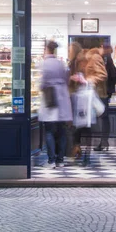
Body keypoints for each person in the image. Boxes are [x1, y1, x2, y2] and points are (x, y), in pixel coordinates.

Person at [39, 40, 72, 168]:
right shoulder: (60, 63)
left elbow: (42, 83)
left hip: (50, 100)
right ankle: (60, 160)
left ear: (46, 49)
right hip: (62, 100)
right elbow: (66, 79)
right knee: (61, 132)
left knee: (49, 131)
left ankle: (51, 161)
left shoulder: (44, 64)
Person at [95, 42, 116, 151]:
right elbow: (115, 75)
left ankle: (104, 142)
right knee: (104, 117)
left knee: (103, 117)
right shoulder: (108, 59)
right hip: (106, 92)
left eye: (100, 47)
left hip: (102, 92)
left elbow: (111, 75)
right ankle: (104, 142)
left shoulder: (104, 59)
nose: (99, 49)